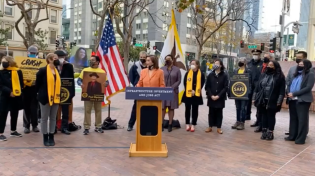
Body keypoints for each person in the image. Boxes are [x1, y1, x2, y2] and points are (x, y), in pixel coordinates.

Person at [253, 60, 285, 141]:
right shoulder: (263, 75)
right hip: (262, 99)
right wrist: (254, 98)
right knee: (263, 115)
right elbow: (257, 87)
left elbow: (282, 91)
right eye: (269, 65)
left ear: (275, 67)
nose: (269, 67)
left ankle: (270, 132)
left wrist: (279, 101)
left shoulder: (280, 77)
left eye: (272, 65)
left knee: (271, 116)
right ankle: (264, 131)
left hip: (272, 99)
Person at [77, 55, 108, 135]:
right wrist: (81, 84)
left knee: (98, 110)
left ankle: (98, 126)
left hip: (98, 95)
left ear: (97, 62)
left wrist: (106, 84)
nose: (91, 61)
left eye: (93, 60)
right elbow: (79, 80)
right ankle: (86, 127)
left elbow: (107, 82)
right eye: (90, 60)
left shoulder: (102, 72)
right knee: (87, 110)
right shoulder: (85, 70)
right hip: (87, 94)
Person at [286, 60, 314, 144]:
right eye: (299, 64)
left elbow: (308, 87)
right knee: (293, 119)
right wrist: (288, 92)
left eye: (302, 64)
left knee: (302, 120)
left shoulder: (310, 74)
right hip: (292, 99)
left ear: (307, 66)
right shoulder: (296, 74)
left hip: (303, 100)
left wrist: (294, 93)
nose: (300, 66)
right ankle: (292, 136)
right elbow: (289, 84)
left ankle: (300, 139)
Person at [36, 53, 61, 146]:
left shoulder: (57, 70)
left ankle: (51, 136)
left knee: (53, 118)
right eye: (55, 58)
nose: (57, 60)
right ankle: (45, 136)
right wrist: (40, 94)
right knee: (44, 118)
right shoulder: (42, 71)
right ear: (49, 60)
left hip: (56, 98)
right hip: (45, 98)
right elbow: (37, 84)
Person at [0, 56, 24, 141]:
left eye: (5, 61)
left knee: (14, 113)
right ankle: (1, 133)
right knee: (3, 114)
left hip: (16, 96)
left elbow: (21, 83)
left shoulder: (18, 71)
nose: (3, 63)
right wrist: (9, 92)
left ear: (10, 62)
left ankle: (13, 131)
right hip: (5, 96)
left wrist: (17, 91)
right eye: (2, 61)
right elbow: (1, 85)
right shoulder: (1, 72)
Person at [205, 59, 228, 134]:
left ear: (221, 65)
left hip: (220, 98)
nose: (216, 64)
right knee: (211, 112)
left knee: (219, 112)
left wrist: (218, 96)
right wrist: (211, 95)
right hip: (211, 97)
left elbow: (225, 87)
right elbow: (207, 86)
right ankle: (210, 126)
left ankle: (219, 127)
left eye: (217, 63)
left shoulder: (224, 75)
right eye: (215, 63)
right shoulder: (210, 75)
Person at [54, 50, 75, 135]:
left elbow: (72, 80)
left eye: (62, 57)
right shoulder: (52, 66)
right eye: (59, 57)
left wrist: (71, 93)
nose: (61, 58)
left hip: (66, 92)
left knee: (65, 110)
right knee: (54, 111)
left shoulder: (69, 66)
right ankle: (54, 127)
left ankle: (64, 127)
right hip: (54, 92)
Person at [182, 60, 205, 132]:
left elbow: (202, 83)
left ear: (197, 65)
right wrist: (189, 90)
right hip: (188, 94)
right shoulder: (187, 73)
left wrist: (194, 90)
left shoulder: (201, 74)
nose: (191, 65)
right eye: (191, 64)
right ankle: (187, 123)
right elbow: (185, 83)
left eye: (193, 64)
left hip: (196, 94)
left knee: (195, 109)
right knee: (187, 109)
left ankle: (193, 124)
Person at [127, 51, 147, 131]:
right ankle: (130, 125)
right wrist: (134, 85)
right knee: (136, 108)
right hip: (138, 90)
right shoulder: (136, 66)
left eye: (144, 57)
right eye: (141, 57)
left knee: (146, 108)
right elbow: (131, 76)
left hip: (148, 90)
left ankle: (145, 125)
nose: (142, 59)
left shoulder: (149, 66)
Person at [161, 54, 181, 132]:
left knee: (171, 108)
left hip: (173, 91)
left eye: (169, 59)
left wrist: (172, 87)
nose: (167, 60)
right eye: (166, 59)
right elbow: (159, 79)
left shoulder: (177, 69)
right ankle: (161, 124)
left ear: (172, 60)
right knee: (163, 108)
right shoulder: (162, 69)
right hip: (163, 91)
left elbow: (179, 80)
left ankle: (170, 124)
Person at [23, 45, 40, 134]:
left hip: (35, 88)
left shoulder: (40, 63)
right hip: (25, 88)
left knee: (35, 108)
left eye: (34, 53)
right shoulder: (23, 62)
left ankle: (35, 125)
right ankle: (26, 126)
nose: (33, 54)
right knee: (26, 108)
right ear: (28, 53)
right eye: (31, 53)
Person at [231, 58, 251, 130]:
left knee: (243, 108)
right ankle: (238, 121)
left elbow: (250, 82)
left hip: (244, 92)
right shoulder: (236, 70)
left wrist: (249, 91)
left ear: (245, 63)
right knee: (238, 108)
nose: (240, 62)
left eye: (241, 61)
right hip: (237, 92)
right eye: (239, 61)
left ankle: (242, 122)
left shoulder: (248, 71)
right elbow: (233, 81)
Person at [247, 49, 263, 132]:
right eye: (254, 54)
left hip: (259, 87)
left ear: (260, 55)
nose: (255, 55)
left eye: (257, 54)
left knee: (258, 104)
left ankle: (259, 121)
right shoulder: (249, 64)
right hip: (250, 86)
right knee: (248, 102)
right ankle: (247, 116)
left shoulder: (262, 64)